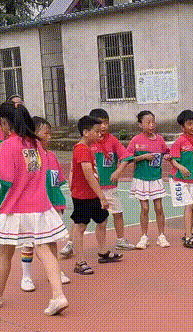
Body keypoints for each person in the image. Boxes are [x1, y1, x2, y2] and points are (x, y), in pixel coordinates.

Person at [0, 103, 69, 316]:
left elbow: (6, 179)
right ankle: (58, 295)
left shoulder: (8, 145)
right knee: (44, 251)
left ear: (4, 122)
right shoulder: (36, 144)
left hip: (16, 208)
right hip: (40, 207)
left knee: (5, 254)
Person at [59, 108, 137, 257]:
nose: (102, 127)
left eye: (105, 123)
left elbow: (126, 157)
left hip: (104, 188)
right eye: (99, 125)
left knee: (107, 217)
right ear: (87, 131)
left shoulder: (110, 141)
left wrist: (118, 171)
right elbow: (82, 171)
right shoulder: (84, 148)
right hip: (88, 192)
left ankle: (113, 244)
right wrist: (72, 181)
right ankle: (73, 248)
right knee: (79, 222)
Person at [68, 115, 121, 275]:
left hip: (92, 195)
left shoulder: (88, 148)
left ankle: (103, 252)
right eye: (96, 131)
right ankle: (80, 262)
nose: (99, 134)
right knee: (80, 227)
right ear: (86, 132)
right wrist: (102, 196)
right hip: (83, 196)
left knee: (102, 219)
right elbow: (88, 174)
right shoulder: (81, 149)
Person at [122, 111, 171, 249]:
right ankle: (144, 236)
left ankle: (161, 236)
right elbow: (128, 158)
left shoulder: (160, 140)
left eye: (153, 122)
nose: (151, 125)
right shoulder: (135, 140)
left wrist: (168, 156)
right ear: (140, 124)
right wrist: (143, 157)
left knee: (159, 207)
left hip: (155, 178)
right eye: (147, 122)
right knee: (144, 208)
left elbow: (167, 152)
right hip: (141, 178)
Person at [168, 110, 193, 248]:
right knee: (188, 204)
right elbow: (172, 159)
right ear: (182, 127)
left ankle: (188, 232)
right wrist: (181, 167)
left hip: (192, 178)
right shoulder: (180, 141)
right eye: (189, 124)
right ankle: (188, 237)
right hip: (179, 179)